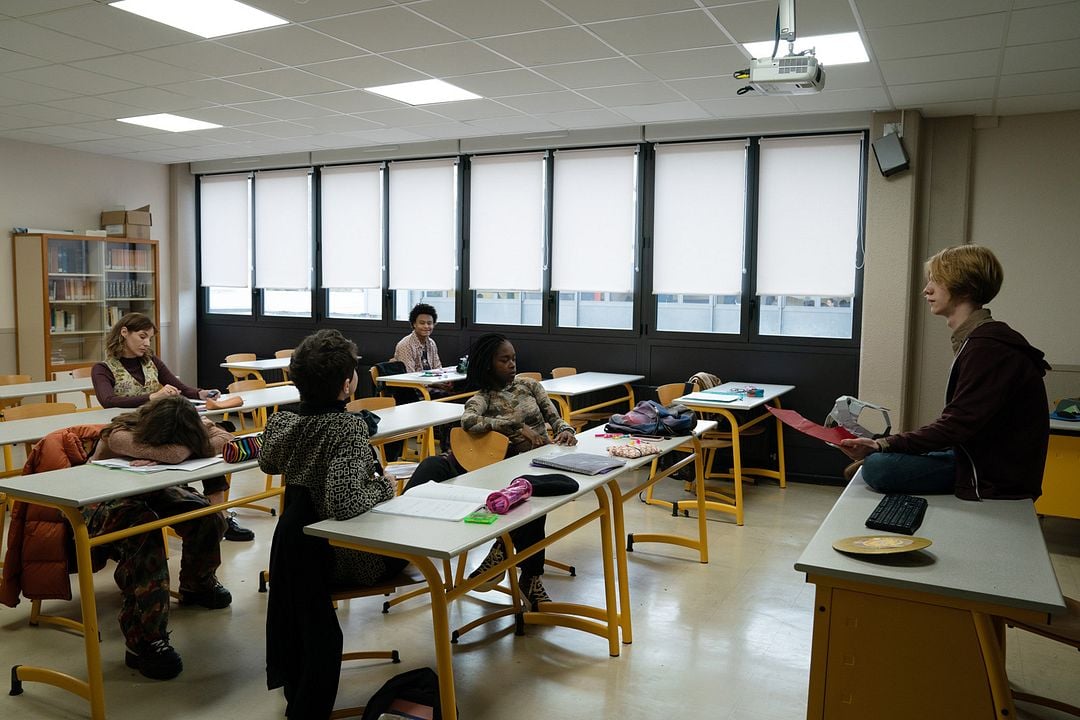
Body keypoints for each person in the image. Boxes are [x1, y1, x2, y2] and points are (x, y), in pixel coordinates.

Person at [838, 245, 1050, 500]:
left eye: (936, 282)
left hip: (992, 477)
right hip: (977, 459)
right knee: (881, 460)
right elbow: (959, 427)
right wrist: (884, 445)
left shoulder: (988, 349)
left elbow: (956, 426)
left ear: (966, 287)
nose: (926, 290)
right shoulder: (981, 341)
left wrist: (883, 445)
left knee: (877, 468)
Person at [406, 333, 577, 610]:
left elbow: (555, 419)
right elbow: (468, 420)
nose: (512, 364)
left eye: (513, 359)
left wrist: (566, 431)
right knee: (435, 467)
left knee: (531, 499)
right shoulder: (482, 398)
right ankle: (517, 565)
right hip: (499, 467)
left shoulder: (530, 386)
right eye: (504, 360)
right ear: (488, 365)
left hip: (535, 462)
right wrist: (514, 426)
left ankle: (515, 563)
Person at [89, 396, 233, 680]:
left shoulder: (177, 428)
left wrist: (191, 439)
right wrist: (195, 442)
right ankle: (144, 639)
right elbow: (176, 454)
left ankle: (197, 584)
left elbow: (226, 439)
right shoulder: (119, 432)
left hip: (153, 491)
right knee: (145, 532)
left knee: (206, 515)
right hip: (102, 499)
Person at [259, 328, 408, 587]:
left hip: (292, 549)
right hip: (340, 556)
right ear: (347, 384)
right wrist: (385, 485)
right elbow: (344, 504)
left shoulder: (282, 422)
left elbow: (267, 463)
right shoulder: (347, 428)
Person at [91, 312, 254, 541]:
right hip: (127, 427)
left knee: (209, 457)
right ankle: (197, 513)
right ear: (124, 333)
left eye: (149, 338)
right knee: (197, 445)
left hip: (158, 424)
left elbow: (179, 386)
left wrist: (201, 393)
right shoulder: (103, 368)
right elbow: (107, 401)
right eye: (142, 336)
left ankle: (221, 517)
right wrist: (152, 397)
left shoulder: (151, 361)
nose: (147, 343)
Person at [392, 302, 443, 373]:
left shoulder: (431, 343)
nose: (426, 326)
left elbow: (438, 368)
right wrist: (434, 384)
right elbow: (409, 376)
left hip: (430, 382)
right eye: (422, 323)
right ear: (414, 324)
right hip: (412, 383)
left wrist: (442, 380)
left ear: (434, 324)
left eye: (429, 323)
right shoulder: (406, 345)